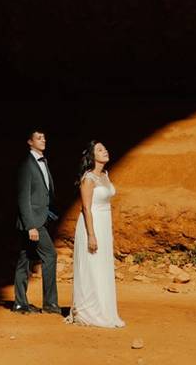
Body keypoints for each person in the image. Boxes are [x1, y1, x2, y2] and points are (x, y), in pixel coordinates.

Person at [65, 140, 125, 327]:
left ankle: (105, 310)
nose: (105, 151)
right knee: (92, 266)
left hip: (104, 223)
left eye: (105, 148)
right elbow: (85, 207)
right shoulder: (88, 178)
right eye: (100, 150)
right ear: (92, 156)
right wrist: (91, 234)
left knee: (103, 266)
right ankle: (87, 311)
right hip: (92, 224)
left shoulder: (105, 175)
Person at [13, 129, 62, 314]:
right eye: (38, 138)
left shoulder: (42, 161)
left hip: (40, 218)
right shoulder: (27, 164)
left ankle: (19, 303)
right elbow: (23, 197)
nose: (43, 140)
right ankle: (50, 304)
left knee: (25, 259)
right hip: (33, 222)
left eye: (44, 137)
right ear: (29, 142)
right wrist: (31, 225)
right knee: (50, 255)